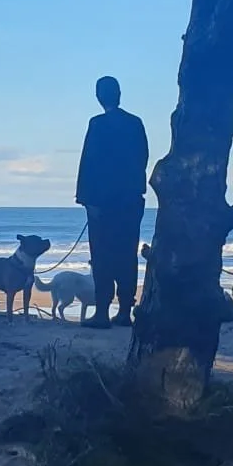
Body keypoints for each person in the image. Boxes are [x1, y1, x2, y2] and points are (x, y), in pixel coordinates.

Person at [75, 76, 148, 330]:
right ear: (119, 94)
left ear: (99, 96)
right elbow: (143, 159)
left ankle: (103, 312)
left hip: (103, 204)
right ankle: (125, 311)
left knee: (103, 257)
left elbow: (89, 163)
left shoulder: (98, 124)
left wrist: (86, 199)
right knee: (127, 256)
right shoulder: (135, 123)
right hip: (130, 201)